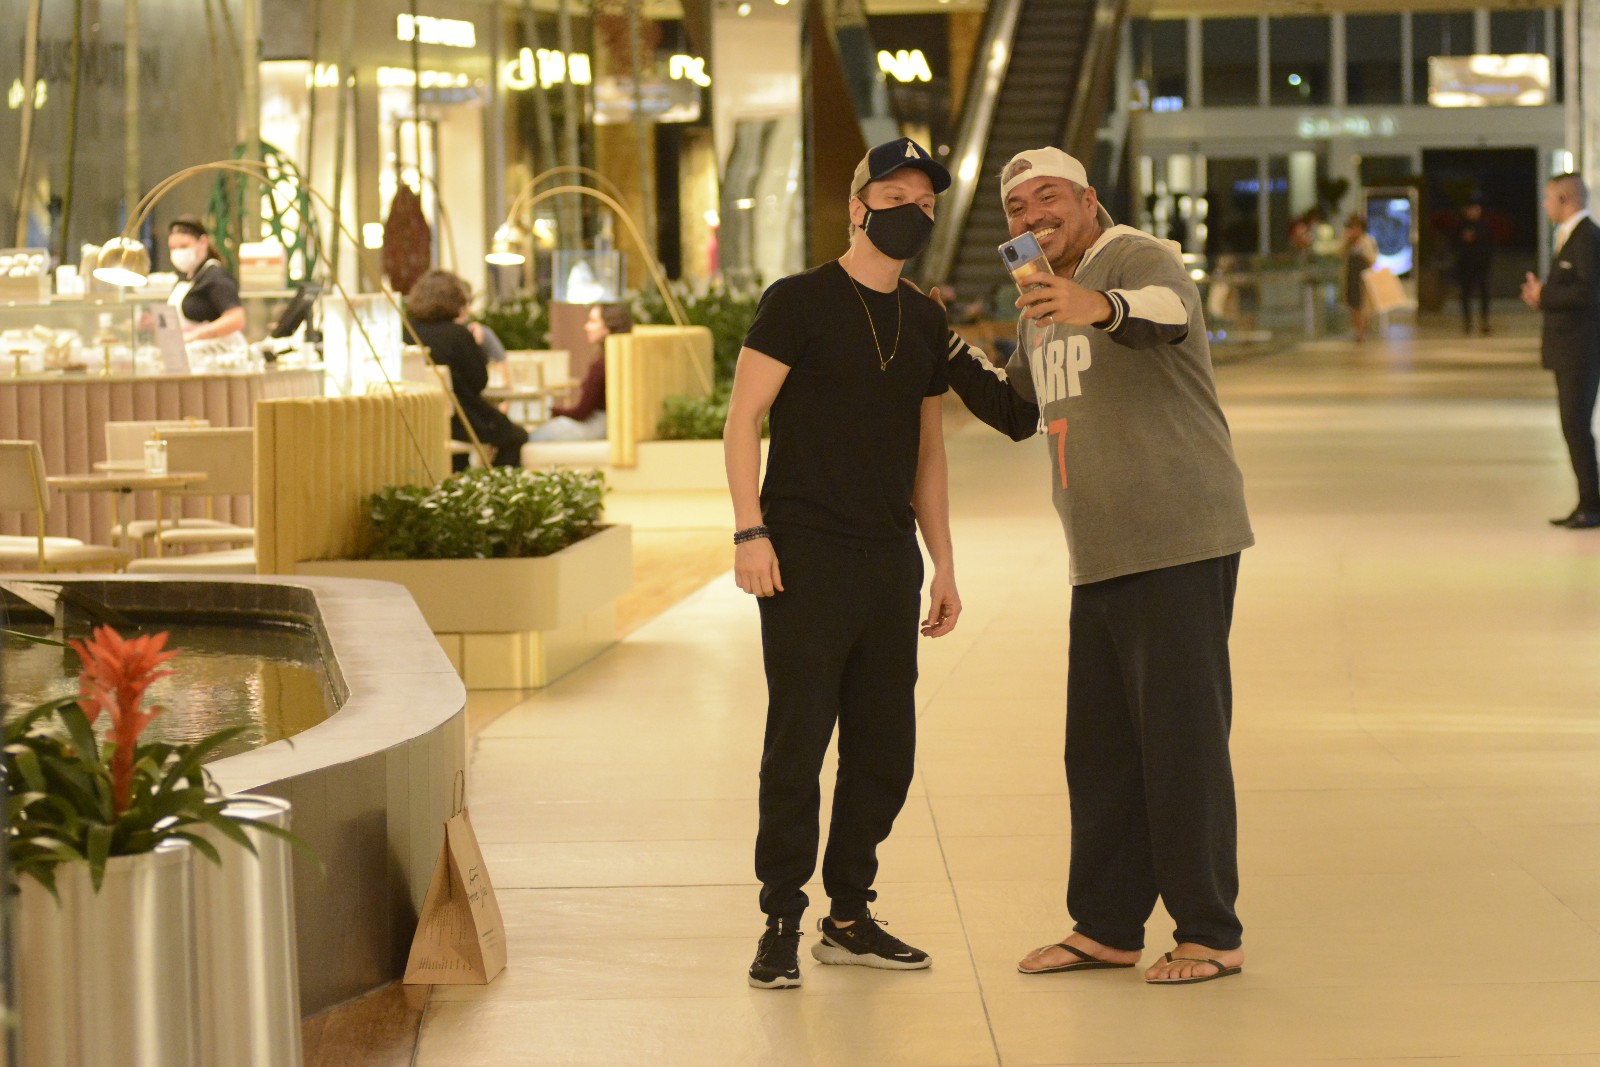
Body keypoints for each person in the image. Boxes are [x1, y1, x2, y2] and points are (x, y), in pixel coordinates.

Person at [937, 147, 1253, 986]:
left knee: (1181, 742)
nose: (1030, 217)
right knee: (1103, 749)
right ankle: (1108, 925)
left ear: (1088, 199)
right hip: (1101, 551)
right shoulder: (1040, 297)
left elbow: (1165, 314)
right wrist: (943, 344)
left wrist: (1093, 303)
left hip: (1177, 535)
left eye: (1048, 199)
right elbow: (1014, 410)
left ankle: (1210, 929)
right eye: (1014, 208)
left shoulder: (1136, 256)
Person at [725, 137, 961, 990]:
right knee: (799, 740)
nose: (913, 212)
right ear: (858, 205)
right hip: (803, 555)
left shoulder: (928, 318)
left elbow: (929, 452)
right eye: (896, 195)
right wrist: (750, 533)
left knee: (884, 748)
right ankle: (780, 917)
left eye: (926, 204)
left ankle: (849, 914)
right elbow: (744, 417)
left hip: (886, 557)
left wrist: (942, 561)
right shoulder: (798, 301)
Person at [1521, 173, 1600, 529]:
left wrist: (1545, 296)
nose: (1545, 204)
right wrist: (1544, 296)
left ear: (1565, 199)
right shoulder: (1570, 237)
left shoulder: (1586, 239)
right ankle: (1587, 501)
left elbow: (1588, 293)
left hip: (1579, 349)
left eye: (1549, 198)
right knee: (1573, 426)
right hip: (1568, 346)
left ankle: (1591, 504)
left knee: (1575, 425)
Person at [404, 270, 529, 471]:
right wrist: (477, 346)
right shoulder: (457, 335)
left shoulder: (406, 331)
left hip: (418, 421)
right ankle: (491, 488)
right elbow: (478, 381)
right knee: (515, 436)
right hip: (461, 420)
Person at [528, 303, 630, 442]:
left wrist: (554, 411)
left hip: (599, 427)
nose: (586, 327)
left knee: (536, 436)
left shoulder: (601, 366)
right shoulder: (624, 358)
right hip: (614, 425)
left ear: (607, 328)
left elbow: (581, 412)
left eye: (592, 321)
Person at [165, 216, 248, 364]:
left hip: (220, 361)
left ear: (203, 242)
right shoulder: (186, 278)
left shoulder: (216, 276)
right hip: (194, 359)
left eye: (184, 246)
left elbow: (236, 319)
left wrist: (196, 335)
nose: (178, 253)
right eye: (173, 248)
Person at [1453, 199, 1496, 335]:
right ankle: (1467, 322)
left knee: (1484, 294)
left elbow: (1490, 245)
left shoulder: (1484, 226)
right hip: (1465, 267)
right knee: (1465, 295)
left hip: (1481, 266)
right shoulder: (1461, 227)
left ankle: (1484, 321)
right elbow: (1454, 245)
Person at [1340, 213, 1378, 341]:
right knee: (1353, 304)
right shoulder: (1347, 242)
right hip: (1351, 275)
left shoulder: (1367, 241)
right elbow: (1339, 253)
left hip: (1363, 276)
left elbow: (1372, 259)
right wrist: (1346, 241)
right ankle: (1357, 329)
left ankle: (1361, 331)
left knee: (1362, 304)